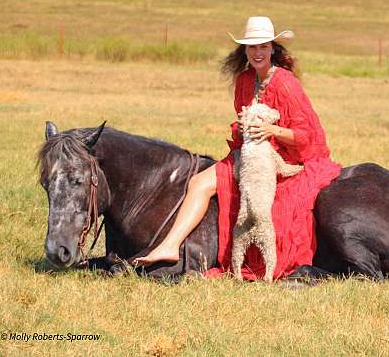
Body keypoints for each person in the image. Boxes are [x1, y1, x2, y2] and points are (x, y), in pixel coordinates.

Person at [134, 16, 341, 280]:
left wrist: (272, 131)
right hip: (249, 152)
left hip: (287, 157)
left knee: (277, 206)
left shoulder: (286, 83)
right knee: (199, 182)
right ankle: (170, 246)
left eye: (263, 46)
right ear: (244, 50)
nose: (257, 52)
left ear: (273, 49)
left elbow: (306, 136)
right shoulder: (244, 81)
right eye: (252, 47)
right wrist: (243, 130)